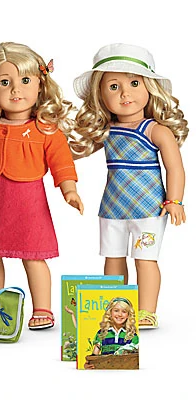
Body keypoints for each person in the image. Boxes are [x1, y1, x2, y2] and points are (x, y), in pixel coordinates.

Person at [0, 42, 83, 330]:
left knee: (34, 257)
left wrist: (69, 190)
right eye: (5, 82)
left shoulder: (46, 130)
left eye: (25, 81)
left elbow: (61, 163)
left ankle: (43, 308)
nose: (15, 90)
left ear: (40, 85)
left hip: (30, 207)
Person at [71, 43, 188, 328]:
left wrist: (175, 200)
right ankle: (115, 311)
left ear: (149, 87)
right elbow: (76, 152)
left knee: (145, 260)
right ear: (100, 95)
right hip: (112, 207)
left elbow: (175, 167)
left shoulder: (156, 130)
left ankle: (146, 311)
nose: (125, 93)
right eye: (114, 86)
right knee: (112, 259)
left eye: (134, 83)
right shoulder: (106, 131)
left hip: (149, 209)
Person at [84, 297, 139, 369]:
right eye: (116, 310)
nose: (120, 314)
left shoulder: (132, 335)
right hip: (105, 370)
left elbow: (137, 360)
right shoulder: (102, 333)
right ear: (110, 312)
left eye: (124, 311)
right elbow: (94, 357)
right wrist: (88, 365)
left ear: (128, 315)